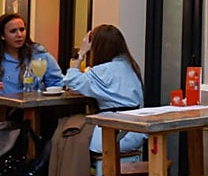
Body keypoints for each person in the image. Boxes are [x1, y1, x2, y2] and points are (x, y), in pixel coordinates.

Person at [61, 25, 145, 154]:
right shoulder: (131, 67)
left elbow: (71, 81)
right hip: (135, 133)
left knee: (66, 131)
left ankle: (52, 171)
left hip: (112, 134)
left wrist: (81, 53)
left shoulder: (104, 71)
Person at [0, 13, 63, 110]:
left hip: (37, 111)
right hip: (3, 113)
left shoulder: (38, 54)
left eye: (22, 30)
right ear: (2, 36)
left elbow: (57, 82)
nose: (19, 35)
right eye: (13, 31)